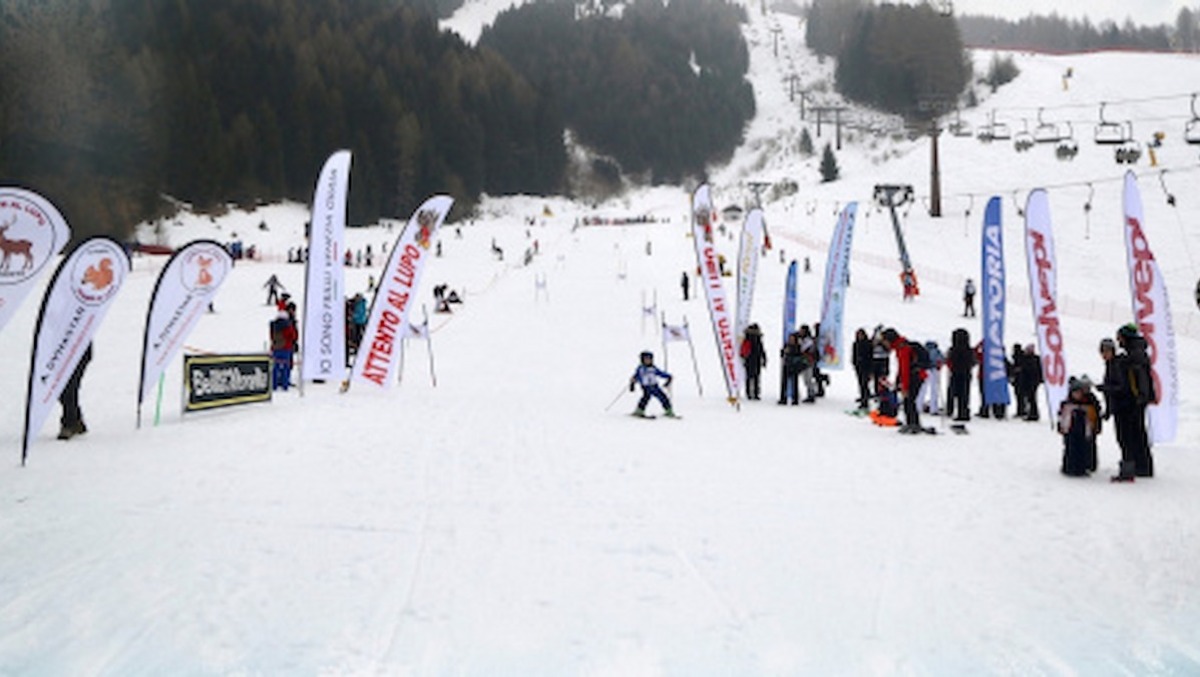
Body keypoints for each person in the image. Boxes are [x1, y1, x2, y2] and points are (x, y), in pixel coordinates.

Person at [1101, 326, 1155, 481]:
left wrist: (1106, 389)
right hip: (1136, 401)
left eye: (1119, 338)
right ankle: (1143, 467)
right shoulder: (1137, 352)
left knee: (1126, 436)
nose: (1119, 341)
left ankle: (1129, 469)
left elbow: (1123, 385)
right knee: (1138, 434)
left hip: (1129, 403)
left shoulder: (1131, 357)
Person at [881, 328, 926, 433]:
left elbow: (905, 369)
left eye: (885, 341)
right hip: (916, 375)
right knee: (908, 401)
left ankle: (913, 424)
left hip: (915, 376)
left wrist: (904, 387)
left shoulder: (903, 348)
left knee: (909, 401)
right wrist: (898, 382)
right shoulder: (900, 346)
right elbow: (902, 369)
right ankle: (912, 423)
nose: (884, 344)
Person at [1058, 376, 1102, 477]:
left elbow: (1095, 418)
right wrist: (1061, 427)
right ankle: (1070, 467)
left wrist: (1096, 427)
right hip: (1071, 431)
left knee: (1086, 448)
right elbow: (1063, 417)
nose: (1076, 395)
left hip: (1085, 431)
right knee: (1070, 448)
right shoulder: (1068, 404)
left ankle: (1085, 466)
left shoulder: (1090, 404)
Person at [58, 343, 92, 440]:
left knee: (68, 387)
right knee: (61, 388)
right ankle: (75, 420)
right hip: (56, 349)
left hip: (78, 346)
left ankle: (69, 422)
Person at [629, 351, 675, 417]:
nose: (648, 361)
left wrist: (668, 376)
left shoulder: (653, 368)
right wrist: (633, 382)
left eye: (649, 359)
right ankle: (639, 410)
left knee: (662, 397)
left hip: (654, 385)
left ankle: (668, 410)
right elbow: (637, 376)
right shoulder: (641, 369)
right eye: (646, 359)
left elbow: (660, 373)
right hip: (646, 386)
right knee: (647, 397)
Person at [945, 328, 974, 421]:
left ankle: (951, 410)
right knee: (964, 394)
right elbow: (973, 362)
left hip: (955, 373)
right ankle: (963, 412)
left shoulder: (953, 349)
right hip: (966, 373)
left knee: (952, 393)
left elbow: (949, 360)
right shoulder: (969, 350)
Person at [269, 310, 298, 391]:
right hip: (286, 348)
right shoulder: (288, 326)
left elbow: (271, 336)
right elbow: (293, 336)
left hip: (275, 348)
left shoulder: (273, 325)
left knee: (275, 367)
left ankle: (274, 385)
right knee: (286, 367)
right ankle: (285, 385)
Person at [1016, 344, 1044, 421]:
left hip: (1031, 382)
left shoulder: (1033, 359)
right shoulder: (1027, 358)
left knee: (1032, 398)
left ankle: (1033, 414)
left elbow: (1033, 370)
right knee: (1029, 398)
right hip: (1028, 381)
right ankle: (1031, 413)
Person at [739, 323, 766, 400]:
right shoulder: (758, 339)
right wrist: (764, 359)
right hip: (756, 360)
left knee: (749, 377)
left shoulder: (747, 338)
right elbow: (761, 350)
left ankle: (749, 393)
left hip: (748, 360)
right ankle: (755, 393)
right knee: (756, 377)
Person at [917, 340, 944, 416]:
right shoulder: (937, 351)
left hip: (925, 370)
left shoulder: (923, 351)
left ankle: (918, 407)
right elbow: (942, 359)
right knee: (934, 390)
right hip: (934, 370)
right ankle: (933, 409)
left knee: (922, 390)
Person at [851, 328, 874, 410]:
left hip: (866, 367)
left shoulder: (868, 344)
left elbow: (871, 356)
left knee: (864, 384)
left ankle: (865, 402)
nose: (860, 336)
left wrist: (871, 369)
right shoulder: (855, 343)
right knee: (861, 383)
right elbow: (854, 354)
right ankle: (863, 397)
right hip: (858, 367)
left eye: (861, 335)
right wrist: (854, 363)